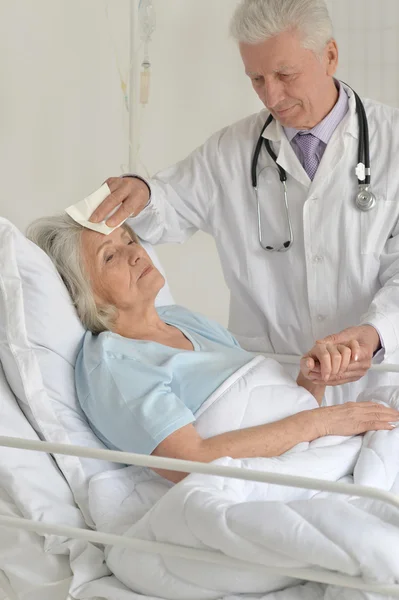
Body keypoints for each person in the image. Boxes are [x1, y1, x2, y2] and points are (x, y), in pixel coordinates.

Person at [89, 0, 399, 407]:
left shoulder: (391, 142)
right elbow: (167, 203)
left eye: (285, 74)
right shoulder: (230, 152)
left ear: (330, 56)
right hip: (274, 390)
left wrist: (375, 333)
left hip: (379, 384)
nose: (271, 95)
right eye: (256, 79)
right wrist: (143, 192)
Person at [27, 215, 399, 483]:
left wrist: (311, 378)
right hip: (278, 480)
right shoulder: (112, 364)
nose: (137, 254)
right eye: (110, 256)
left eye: (129, 240)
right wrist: (322, 421)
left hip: (317, 452)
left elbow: (277, 413)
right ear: (82, 291)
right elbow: (192, 462)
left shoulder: (182, 319)